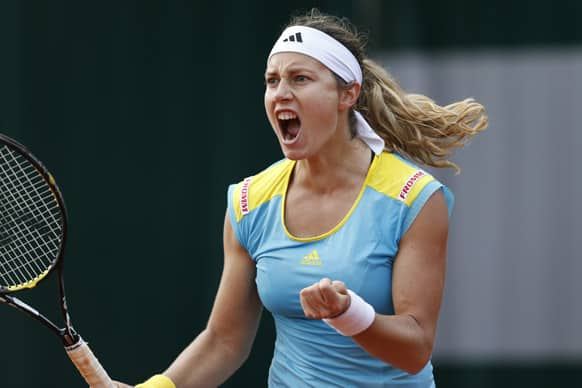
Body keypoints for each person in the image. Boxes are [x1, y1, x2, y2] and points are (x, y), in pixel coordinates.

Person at [116, 8, 487, 388]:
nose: (281, 93)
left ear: (348, 94)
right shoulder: (249, 203)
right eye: (272, 81)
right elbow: (224, 342)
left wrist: (348, 314)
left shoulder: (414, 198)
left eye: (300, 79)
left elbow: (415, 348)